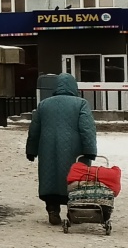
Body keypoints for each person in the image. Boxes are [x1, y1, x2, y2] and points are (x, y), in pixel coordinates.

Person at [26, 72, 96, 224]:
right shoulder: (81, 104)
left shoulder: (44, 104)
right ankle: (73, 211)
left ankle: (52, 209)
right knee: (75, 179)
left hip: (47, 149)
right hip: (75, 150)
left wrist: (31, 150)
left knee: (50, 178)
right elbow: (87, 129)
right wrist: (90, 150)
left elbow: (34, 129)